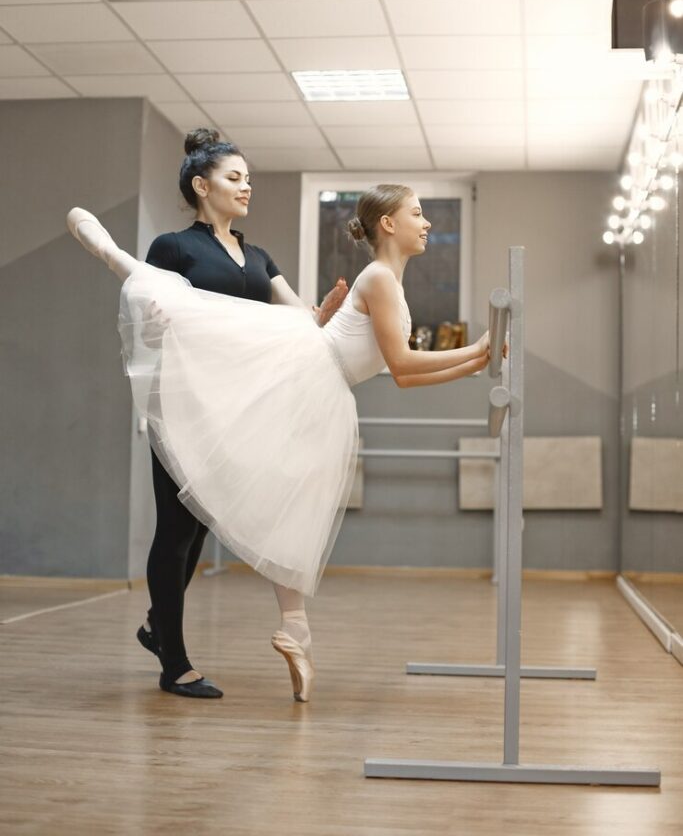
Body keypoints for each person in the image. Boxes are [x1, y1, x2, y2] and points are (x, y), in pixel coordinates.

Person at [67, 179, 490, 704]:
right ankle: (114, 255)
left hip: (320, 382)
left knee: (285, 507)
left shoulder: (389, 282)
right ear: (389, 224)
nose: (427, 224)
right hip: (304, 369)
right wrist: (476, 350)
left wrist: (477, 360)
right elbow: (404, 364)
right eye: (419, 213)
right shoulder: (380, 277)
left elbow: (401, 375)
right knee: (198, 319)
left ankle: (295, 628)